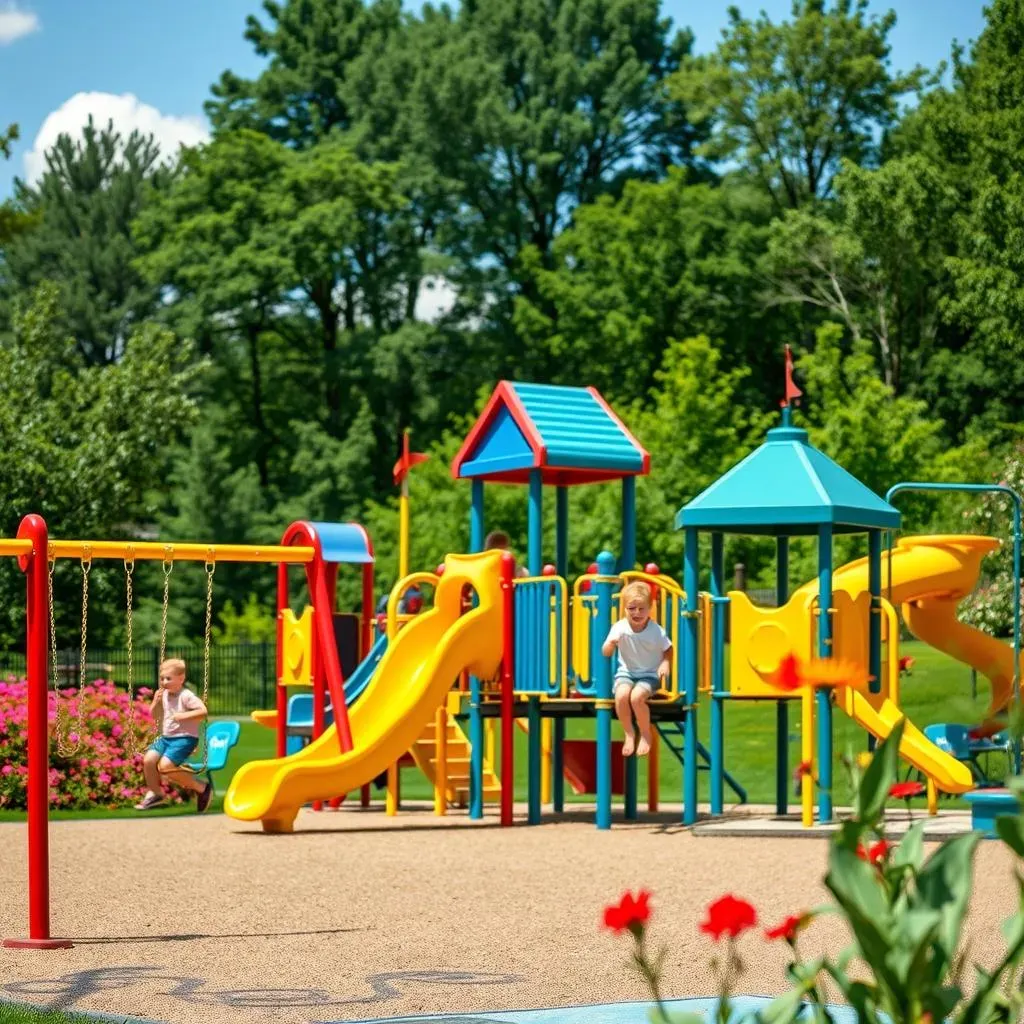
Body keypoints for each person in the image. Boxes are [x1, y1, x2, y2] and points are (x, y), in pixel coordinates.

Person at [601, 581, 671, 757]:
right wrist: (610, 645)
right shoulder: (619, 627)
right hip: (627, 672)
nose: (637, 613)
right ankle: (629, 733)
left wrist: (665, 663)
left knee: (637, 697)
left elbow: (668, 649)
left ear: (650, 609)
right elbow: (606, 652)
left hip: (649, 674)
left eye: (642, 609)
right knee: (621, 695)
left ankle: (645, 733)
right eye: (632, 608)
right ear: (624, 609)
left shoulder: (656, 631)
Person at [134, 658, 213, 812]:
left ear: (181, 678)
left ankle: (202, 787)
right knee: (148, 760)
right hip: (167, 738)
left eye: (168, 678)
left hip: (185, 738)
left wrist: (182, 716)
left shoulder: (186, 696)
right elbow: (155, 715)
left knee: (165, 767)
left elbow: (203, 712)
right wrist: (155, 703)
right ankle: (156, 794)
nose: (164, 682)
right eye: (162, 678)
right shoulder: (163, 694)